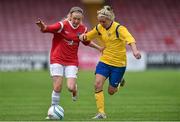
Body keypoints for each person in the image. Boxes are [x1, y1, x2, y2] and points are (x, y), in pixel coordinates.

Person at [36, 6, 103, 119]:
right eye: (74, 18)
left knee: (70, 87)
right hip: (57, 58)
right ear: (70, 16)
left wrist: (99, 48)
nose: (76, 21)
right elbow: (47, 29)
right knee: (57, 87)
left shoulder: (83, 29)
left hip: (71, 61)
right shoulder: (62, 25)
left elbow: (86, 42)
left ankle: (74, 90)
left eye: (79, 19)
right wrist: (42, 26)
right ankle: (52, 110)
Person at [79, 5, 141, 119]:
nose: (101, 23)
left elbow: (130, 39)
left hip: (119, 64)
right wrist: (83, 37)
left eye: (103, 21)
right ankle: (101, 113)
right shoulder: (99, 27)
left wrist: (135, 51)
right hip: (105, 60)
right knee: (97, 84)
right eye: (99, 21)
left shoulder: (119, 29)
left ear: (110, 19)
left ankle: (118, 82)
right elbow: (89, 36)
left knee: (111, 91)